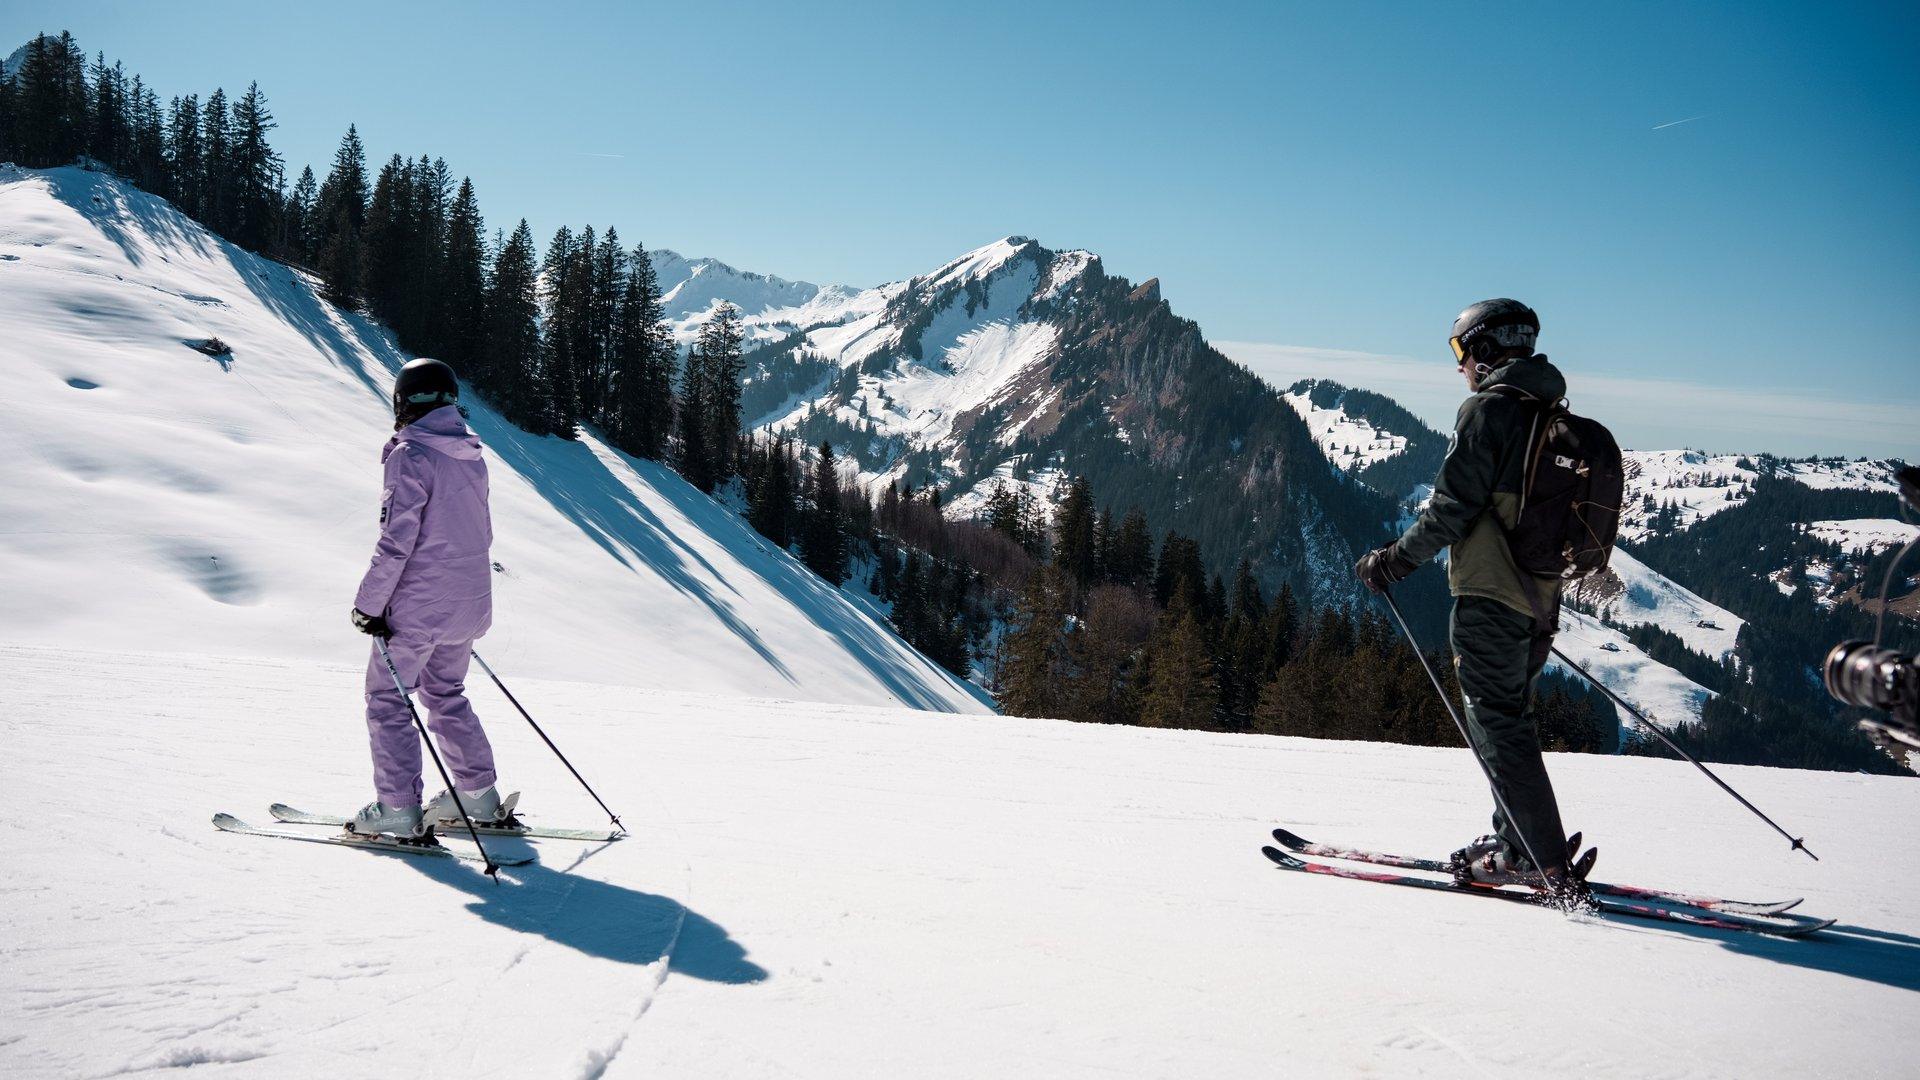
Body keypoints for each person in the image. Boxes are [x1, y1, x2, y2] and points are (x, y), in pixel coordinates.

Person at [1352, 299, 1580, 894]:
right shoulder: (1546, 411)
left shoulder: (1489, 411)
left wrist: (1392, 563)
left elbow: (1451, 509)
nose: (1460, 368)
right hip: (1540, 599)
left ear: (1482, 349)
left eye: (1460, 352)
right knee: (1510, 723)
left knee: (1497, 727)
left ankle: (1539, 858)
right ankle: (1516, 843)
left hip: (1490, 596)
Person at [347, 358, 508, 838]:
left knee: (388, 699)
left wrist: (369, 604)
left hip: (419, 607)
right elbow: (483, 531)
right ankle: (478, 797)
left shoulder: (411, 455)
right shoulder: (470, 455)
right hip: (469, 602)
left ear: (402, 402)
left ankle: (397, 808)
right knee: (445, 691)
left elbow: (397, 540)